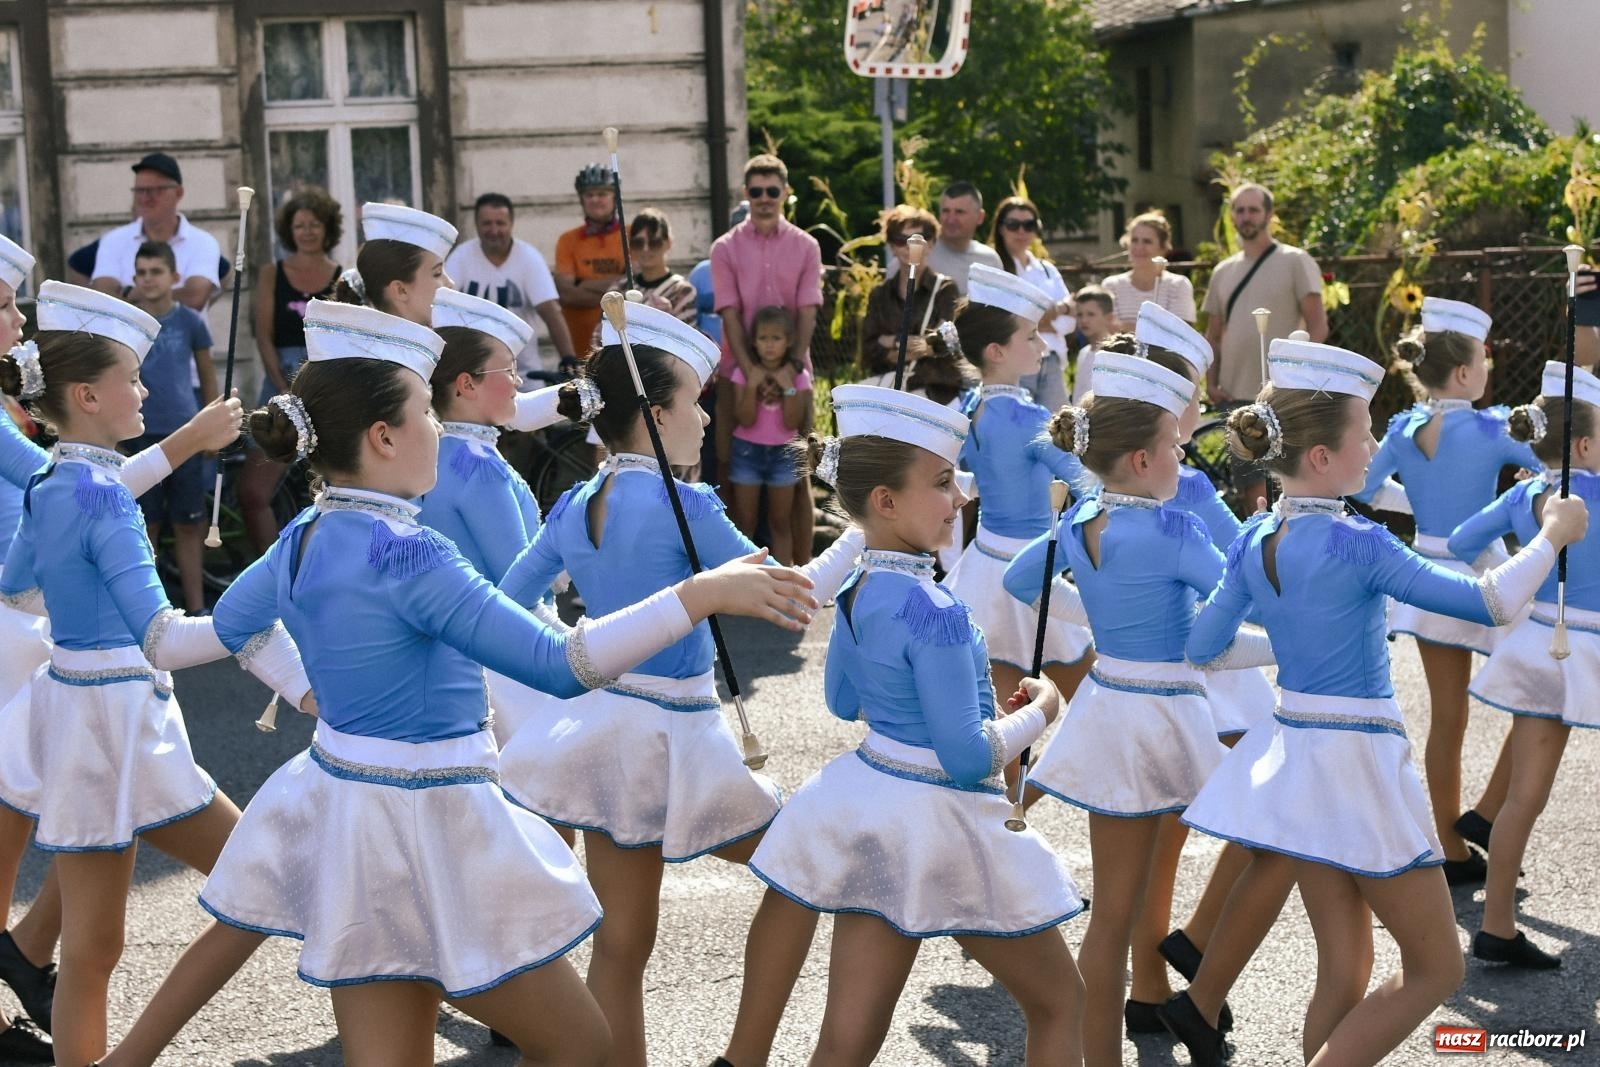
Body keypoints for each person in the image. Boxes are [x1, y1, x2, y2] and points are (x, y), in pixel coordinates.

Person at [94, 299, 818, 1067]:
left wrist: (308, 691)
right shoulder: (414, 554)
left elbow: (180, 639)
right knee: (592, 1052)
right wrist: (696, 596)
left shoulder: (301, 538)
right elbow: (560, 663)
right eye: (425, 414)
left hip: (349, 814)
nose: (440, 428)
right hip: (432, 830)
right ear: (382, 437)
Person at [1166, 338, 1586, 1067]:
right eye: (1363, 432)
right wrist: (1553, 533)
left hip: (1298, 756)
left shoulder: (1258, 535)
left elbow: (1204, 647)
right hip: (1356, 767)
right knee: (1438, 968)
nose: (1373, 441)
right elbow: (1490, 601)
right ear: (1323, 457)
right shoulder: (1361, 543)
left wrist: (1294, 650)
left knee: (1348, 966)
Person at [493, 302, 861, 1067]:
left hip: (601, 732)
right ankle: (742, 1055)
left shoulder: (576, 501)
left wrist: (578, 652)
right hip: (678, 739)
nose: (705, 416)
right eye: (694, 400)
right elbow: (799, 594)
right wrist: (865, 533)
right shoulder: (687, 503)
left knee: (621, 948)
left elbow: (504, 599)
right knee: (801, 864)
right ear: (657, 415)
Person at [724, 384, 1085, 1067]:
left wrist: (928, 700)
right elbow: (967, 756)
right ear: (885, 501)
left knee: (848, 1039)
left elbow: (839, 700)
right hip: (940, 821)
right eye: (944, 482)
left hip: (871, 808)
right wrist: (1042, 710)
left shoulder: (860, 590)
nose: (961, 497)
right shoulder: (935, 607)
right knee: (1062, 1001)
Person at [0, 282, 312, 1067]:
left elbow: (16, 585)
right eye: (133, 378)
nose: (145, 388)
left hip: (78, 716)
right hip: (125, 726)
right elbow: (164, 638)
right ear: (85, 395)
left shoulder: (49, 485)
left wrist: (79, 624)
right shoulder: (105, 498)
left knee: (95, 949)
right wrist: (254, 603)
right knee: (263, 874)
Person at [1000, 350, 1248, 1065]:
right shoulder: (1174, 530)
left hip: (1110, 707)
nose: (1182, 456)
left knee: (1109, 914)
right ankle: (1198, 960)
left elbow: (1023, 581)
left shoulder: (1082, 521)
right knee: (1266, 834)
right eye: (1175, 445)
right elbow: (1234, 608)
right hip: (1169, 717)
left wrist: (1103, 618)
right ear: (1142, 458)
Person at [1353, 297, 1539, 883]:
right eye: (1485, 360)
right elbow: (1554, 465)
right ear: (1464, 373)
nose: (1490, 368)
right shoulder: (1490, 427)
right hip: (1486, 578)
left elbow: (1365, 486)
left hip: (1427, 578)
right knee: (1538, 696)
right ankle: (1484, 816)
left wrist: (1426, 511)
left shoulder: (1405, 428)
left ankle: (1451, 851)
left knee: (1447, 718)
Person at [1449, 361, 1600, 969]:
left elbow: (1461, 542)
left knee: (1521, 798)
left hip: (1538, 643)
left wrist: (1518, 572)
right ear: (1586, 443)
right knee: (1526, 798)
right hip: (1585, 651)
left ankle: (1499, 924)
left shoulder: (1524, 493)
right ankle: (1498, 928)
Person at [942, 264, 1092, 724]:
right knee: (1096, 708)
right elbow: (1087, 487)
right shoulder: (1025, 418)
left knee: (1009, 722)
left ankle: (1012, 797)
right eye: (1030, 336)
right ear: (996, 351)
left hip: (984, 567)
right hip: (1033, 567)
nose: (1043, 345)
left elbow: (959, 478)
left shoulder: (969, 408)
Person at [710, 153, 823, 563]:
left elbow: (808, 310)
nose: (763, 198)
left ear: (785, 194)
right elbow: (730, 313)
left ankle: (807, 569)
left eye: (771, 191)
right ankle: (735, 570)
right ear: (745, 193)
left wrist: (790, 365)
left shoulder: (806, 246)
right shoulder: (724, 248)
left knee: (799, 475)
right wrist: (753, 369)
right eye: (755, 191)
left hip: (795, 372)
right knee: (728, 465)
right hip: (737, 371)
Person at [239, 186, 342, 556]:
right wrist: (285, 388)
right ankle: (274, 569)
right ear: (289, 230)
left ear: (328, 228)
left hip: (328, 386)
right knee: (252, 492)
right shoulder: (272, 274)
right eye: (300, 225)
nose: (308, 231)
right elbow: (263, 336)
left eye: (315, 224)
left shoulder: (343, 277)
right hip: (280, 380)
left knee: (336, 489)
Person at [123, 241, 217, 614]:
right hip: (140, 434)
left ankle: (195, 609)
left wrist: (211, 424)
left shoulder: (190, 321)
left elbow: (208, 378)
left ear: (174, 277)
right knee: (146, 528)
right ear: (134, 278)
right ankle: (150, 611)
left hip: (186, 433)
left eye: (156, 271)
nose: (148, 280)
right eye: (142, 273)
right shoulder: (129, 320)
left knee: (189, 524)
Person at [444, 192, 579, 378]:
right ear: (476, 224)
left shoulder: (529, 258)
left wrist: (568, 358)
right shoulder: (461, 256)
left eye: (500, 223)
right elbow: (440, 306)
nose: (493, 230)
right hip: (471, 369)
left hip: (523, 372)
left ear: (511, 224)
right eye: (486, 223)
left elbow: (551, 311)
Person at [727, 307, 811, 564]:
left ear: (789, 342)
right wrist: (752, 385)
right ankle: (743, 583)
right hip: (747, 452)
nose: (770, 345)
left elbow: (792, 423)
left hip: (784, 453)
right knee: (745, 522)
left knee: (780, 522)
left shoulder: (799, 377)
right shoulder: (742, 374)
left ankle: (784, 582)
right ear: (753, 341)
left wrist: (788, 389)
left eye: (776, 338)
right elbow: (745, 419)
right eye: (763, 338)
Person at [90, 153, 221, 311]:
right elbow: (102, 298)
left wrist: (132, 294)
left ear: (178, 193)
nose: (145, 198)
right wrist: (169, 294)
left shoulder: (203, 242)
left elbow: (194, 298)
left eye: (155, 191)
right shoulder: (113, 240)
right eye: (140, 191)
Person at [989, 196, 1070, 411]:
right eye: (1013, 225)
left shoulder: (1047, 269)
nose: (1021, 231)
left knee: (1056, 435)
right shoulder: (993, 267)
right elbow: (1002, 319)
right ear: (1001, 228)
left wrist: (1038, 319)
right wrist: (1057, 310)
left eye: (1029, 225)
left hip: (1051, 361)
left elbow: (1071, 322)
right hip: (1012, 362)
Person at [859, 204, 956, 383]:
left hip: (932, 389)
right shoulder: (880, 294)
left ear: (932, 243)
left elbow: (944, 342)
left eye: (917, 239)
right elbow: (868, 350)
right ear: (891, 246)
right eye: (900, 240)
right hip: (887, 387)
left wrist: (891, 342)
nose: (909, 246)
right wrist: (918, 346)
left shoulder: (945, 289)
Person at [593, 207, 698, 340]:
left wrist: (667, 321)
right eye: (638, 243)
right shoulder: (619, 289)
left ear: (668, 243)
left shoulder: (683, 292)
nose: (646, 249)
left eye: (654, 242)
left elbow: (690, 345)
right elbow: (599, 337)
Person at [554, 165, 625, 352]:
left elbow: (632, 289)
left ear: (615, 197)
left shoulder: (631, 236)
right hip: (579, 350)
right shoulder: (568, 240)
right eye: (589, 194)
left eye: (602, 193)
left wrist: (583, 284)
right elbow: (567, 295)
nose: (595, 199)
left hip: (622, 349)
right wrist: (616, 288)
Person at [1100, 211, 1197, 329]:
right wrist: (1155, 329)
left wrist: (1126, 327)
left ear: (1162, 247)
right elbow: (1107, 329)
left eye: (1147, 241)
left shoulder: (1179, 285)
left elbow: (1180, 333)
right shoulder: (1111, 285)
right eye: (1134, 240)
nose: (1139, 247)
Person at [924, 181, 1002, 294]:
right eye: (946, 211)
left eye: (959, 212)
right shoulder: (921, 253)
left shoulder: (990, 261)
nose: (951, 219)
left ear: (980, 217)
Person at [1069, 284, 1114, 403]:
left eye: (1091, 314)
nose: (1084, 320)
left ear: (1109, 318)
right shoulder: (1083, 353)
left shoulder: (1114, 354)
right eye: (1080, 314)